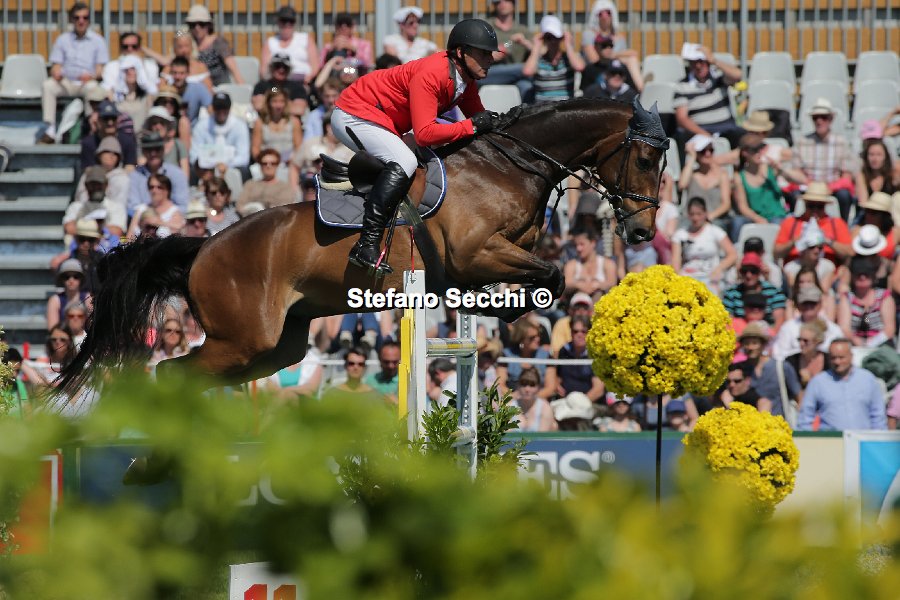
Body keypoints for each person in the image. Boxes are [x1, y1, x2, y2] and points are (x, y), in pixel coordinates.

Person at [331, 18, 504, 274]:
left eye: (490, 54)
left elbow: (479, 120)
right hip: (354, 113)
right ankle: (366, 244)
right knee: (406, 161)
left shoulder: (465, 80)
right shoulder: (433, 72)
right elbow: (425, 134)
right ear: (460, 52)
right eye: (483, 53)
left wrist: (503, 124)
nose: (490, 59)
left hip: (381, 120)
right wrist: (472, 126)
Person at [40, 2, 108, 143]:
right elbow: (55, 66)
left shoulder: (98, 41)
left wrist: (91, 76)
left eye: (85, 17)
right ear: (71, 19)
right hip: (66, 82)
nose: (81, 21)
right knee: (48, 85)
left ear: (89, 20)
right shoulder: (62, 40)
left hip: (87, 83)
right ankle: (50, 130)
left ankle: (90, 128)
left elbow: (100, 70)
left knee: (94, 89)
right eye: (77, 18)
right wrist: (56, 73)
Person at [790, 98, 858, 221]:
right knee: (794, 195)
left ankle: (843, 225)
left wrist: (829, 188)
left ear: (831, 119)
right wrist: (811, 186)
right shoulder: (802, 142)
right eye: (816, 118)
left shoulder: (841, 142)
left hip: (832, 187)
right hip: (808, 186)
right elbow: (797, 172)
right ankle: (796, 226)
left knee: (844, 195)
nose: (819, 121)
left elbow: (846, 175)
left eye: (823, 117)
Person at [797, 339, 887, 431]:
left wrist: (878, 437)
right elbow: (805, 416)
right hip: (831, 438)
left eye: (841, 357)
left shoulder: (867, 379)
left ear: (851, 356)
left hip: (862, 438)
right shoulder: (818, 382)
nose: (837, 362)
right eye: (833, 358)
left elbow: (878, 415)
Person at [673, 44, 744, 155]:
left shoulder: (719, 77)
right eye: (694, 62)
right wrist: (704, 134)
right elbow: (682, 119)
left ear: (707, 62)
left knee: (744, 138)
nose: (698, 66)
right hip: (699, 130)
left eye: (701, 61)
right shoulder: (682, 86)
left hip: (727, 128)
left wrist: (714, 60)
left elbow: (738, 75)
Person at [773, 181, 853, 267]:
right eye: (811, 206)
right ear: (805, 204)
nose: (815, 210)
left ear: (825, 206)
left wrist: (828, 241)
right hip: (796, 267)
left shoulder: (837, 223)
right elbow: (776, 253)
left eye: (820, 206)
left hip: (826, 269)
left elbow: (849, 253)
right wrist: (794, 242)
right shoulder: (790, 222)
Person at [732, 134, 804, 226]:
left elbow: (802, 180)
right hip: (754, 218)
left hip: (776, 216)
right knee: (737, 222)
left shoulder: (771, 169)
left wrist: (781, 169)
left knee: (777, 222)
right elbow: (743, 207)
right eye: (755, 150)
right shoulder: (739, 177)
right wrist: (757, 218)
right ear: (745, 153)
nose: (759, 152)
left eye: (761, 148)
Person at [671, 197, 736, 294]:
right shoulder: (680, 235)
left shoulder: (715, 231)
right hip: (688, 276)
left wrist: (719, 268)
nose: (695, 218)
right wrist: (679, 276)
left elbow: (733, 255)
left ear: (705, 213)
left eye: (699, 214)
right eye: (692, 214)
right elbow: (675, 261)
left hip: (710, 277)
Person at [738, 321, 802, 419]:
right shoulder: (740, 369)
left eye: (754, 343)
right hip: (748, 424)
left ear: (763, 345)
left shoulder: (781, 367)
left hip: (778, 423)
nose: (750, 347)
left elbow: (799, 396)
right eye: (746, 343)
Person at [476, 0, 534, 101]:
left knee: (526, 87)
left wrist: (525, 42)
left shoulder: (522, 30)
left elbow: (538, 52)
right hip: (489, 73)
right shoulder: (486, 27)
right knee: (524, 69)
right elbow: (472, 53)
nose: (502, 4)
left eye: (506, 1)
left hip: (515, 77)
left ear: (513, 4)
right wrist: (489, 55)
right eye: (498, 1)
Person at [677, 134, 733, 237]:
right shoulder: (692, 174)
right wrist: (691, 157)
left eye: (711, 150)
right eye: (703, 151)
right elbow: (682, 185)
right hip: (692, 219)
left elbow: (726, 204)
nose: (708, 154)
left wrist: (709, 217)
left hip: (714, 219)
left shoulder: (722, 174)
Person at [522, 15, 586, 104]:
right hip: (543, 109)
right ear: (543, 39)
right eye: (549, 37)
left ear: (561, 38)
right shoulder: (538, 59)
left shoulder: (568, 58)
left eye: (556, 37)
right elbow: (527, 71)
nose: (553, 41)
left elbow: (579, 67)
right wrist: (536, 47)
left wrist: (568, 44)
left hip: (565, 109)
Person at [772, 285, 843, 360]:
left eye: (813, 303)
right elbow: (779, 354)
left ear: (820, 304)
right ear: (798, 305)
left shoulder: (833, 329)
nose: (809, 306)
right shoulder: (787, 328)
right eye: (805, 303)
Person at [838, 255, 896, 348]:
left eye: (866, 274)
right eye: (858, 274)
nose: (862, 277)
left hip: (881, 345)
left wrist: (871, 343)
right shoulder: (847, 298)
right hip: (854, 346)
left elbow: (889, 329)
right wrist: (858, 342)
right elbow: (845, 328)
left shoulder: (884, 296)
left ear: (873, 276)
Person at [191, 92, 251, 179]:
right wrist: (210, 165)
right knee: (193, 170)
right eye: (218, 108)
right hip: (206, 167)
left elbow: (243, 157)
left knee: (244, 171)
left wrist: (226, 165)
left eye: (224, 108)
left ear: (229, 108)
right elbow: (194, 155)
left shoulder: (240, 126)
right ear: (213, 108)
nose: (221, 111)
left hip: (231, 166)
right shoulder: (201, 126)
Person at [546, 314, 605, 402]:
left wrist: (578, 403)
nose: (579, 335)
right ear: (571, 332)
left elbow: (598, 390)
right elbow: (558, 377)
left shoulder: (596, 354)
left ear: (590, 332)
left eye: (583, 331)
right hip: (565, 401)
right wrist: (557, 385)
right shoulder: (563, 350)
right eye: (575, 331)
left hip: (590, 403)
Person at [251, 87, 302, 186]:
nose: (278, 105)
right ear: (268, 103)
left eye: (281, 101)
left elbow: (299, 147)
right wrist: (265, 162)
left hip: (288, 164)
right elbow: (255, 149)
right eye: (275, 101)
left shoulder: (294, 122)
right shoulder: (260, 122)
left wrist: (292, 160)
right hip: (267, 164)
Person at [722, 252, 787, 331]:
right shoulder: (731, 293)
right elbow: (728, 324)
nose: (748, 275)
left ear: (760, 272)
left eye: (753, 271)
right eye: (744, 271)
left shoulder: (775, 293)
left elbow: (778, 325)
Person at [129, 131, 190, 213]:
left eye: (157, 149)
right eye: (149, 150)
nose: (153, 153)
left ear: (163, 150)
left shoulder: (177, 174)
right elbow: (132, 206)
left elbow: (182, 206)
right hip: (144, 218)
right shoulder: (134, 176)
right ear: (143, 151)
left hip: (171, 218)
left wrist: (163, 215)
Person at [185, 4, 244, 86]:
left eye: (201, 24)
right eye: (193, 24)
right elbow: (177, 35)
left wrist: (242, 86)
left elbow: (232, 66)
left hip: (217, 87)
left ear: (208, 25)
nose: (197, 28)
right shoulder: (189, 43)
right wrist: (185, 32)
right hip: (195, 86)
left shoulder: (218, 42)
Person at [64, 165, 127, 240]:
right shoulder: (76, 206)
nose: (95, 188)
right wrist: (101, 228)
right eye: (92, 184)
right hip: (82, 244)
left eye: (99, 184)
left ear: (106, 185)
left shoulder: (116, 207)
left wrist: (84, 226)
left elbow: (117, 231)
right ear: (86, 185)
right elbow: (69, 228)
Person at [260, 6, 319, 84]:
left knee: (300, 91)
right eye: (284, 21)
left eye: (291, 21)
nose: (287, 24)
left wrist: (308, 78)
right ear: (278, 22)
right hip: (277, 83)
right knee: (270, 89)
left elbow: (315, 66)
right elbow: (263, 71)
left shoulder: (305, 39)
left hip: (301, 82)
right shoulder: (270, 42)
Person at [496, 317, 553, 396]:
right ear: (521, 339)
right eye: (532, 338)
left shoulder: (546, 355)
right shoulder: (506, 355)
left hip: (539, 400)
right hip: (513, 400)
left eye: (538, 335)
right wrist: (514, 397)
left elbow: (550, 387)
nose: (537, 339)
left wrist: (531, 399)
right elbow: (500, 385)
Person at [563, 227, 617, 301]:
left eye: (582, 244)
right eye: (576, 245)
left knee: (598, 294)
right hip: (578, 304)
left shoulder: (608, 264)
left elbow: (612, 283)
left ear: (593, 243)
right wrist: (579, 285)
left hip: (601, 302)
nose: (578, 249)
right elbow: (566, 284)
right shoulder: (571, 265)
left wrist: (598, 285)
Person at [101, 32, 159, 99]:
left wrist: (140, 65)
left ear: (140, 47)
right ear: (121, 48)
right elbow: (108, 89)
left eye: (134, 46)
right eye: (125, 46)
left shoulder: (150, 66)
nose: (129, 49)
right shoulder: (111, 66)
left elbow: (153, 90)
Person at [237, 149, 297, 213]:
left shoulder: (285, 187)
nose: (268, 166)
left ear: (277, 165)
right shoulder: (250, 184)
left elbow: (283, 208)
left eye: (273, 163)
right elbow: (240, 206)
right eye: (264, 163)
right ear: (260, 165)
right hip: (250, 216)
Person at [127, 173, 185, 238]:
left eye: (159, 187)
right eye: (151, 187)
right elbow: (129, 237)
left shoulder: (174, 212)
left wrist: (157, 222)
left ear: (168, 190)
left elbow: (179, 230)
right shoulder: (141, 209)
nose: (154, 190)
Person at [251, 54, 309, 118]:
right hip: (266, 119)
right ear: (271, 67)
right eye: (277, 66)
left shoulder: (297, 87)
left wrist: (270, 103)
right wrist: (289, 103)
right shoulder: (262, 86)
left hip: (288, 120)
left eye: (285, 67)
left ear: (289, 69)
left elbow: (299, 109)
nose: (281, 70)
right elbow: (258, 105)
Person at [320, 347, 385, 403]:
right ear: (345, 365)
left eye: (360, 364)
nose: (356, 367)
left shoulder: (374, 395)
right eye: (351, 364)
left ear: (364, 367)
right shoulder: (332, 394)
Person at [164, 54, 213, 124]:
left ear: (187, 73)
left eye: (181, 73)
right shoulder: (166, 92)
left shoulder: (197, 88)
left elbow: (210, 109)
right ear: (171, 73)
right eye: (175, 73)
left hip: (193, 128)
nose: (178, 77)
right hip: (172, 127)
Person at [784, 320, 832, 391]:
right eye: (799, 339)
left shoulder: (829, 361)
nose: (801, 344)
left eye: (805, 341)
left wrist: (810, 382)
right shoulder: (791, 361)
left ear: (817, 341)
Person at [144, 106, 189, 178]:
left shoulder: (178, 145)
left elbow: (185, 175)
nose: (158, 126)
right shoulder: (144, 145)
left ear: (168, 125)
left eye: (162, 122)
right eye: (154, 123)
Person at [46, 259, 91, 332]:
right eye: (67, 277)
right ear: (62, 279)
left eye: (76, 276)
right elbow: (53, 330)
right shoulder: (55, 300)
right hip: (63, 337)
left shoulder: (87, 298)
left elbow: (92, 327)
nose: (71, 280)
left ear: (81, 279)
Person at [510, 366, 558, 432]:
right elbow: (506, 436)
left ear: (539, 387)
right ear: (518, 385)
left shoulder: (545, 408)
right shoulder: (509, 407)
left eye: (532, 385)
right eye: (523, 384)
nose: (527, 389)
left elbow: (543, 437)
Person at [851, 192, 897, 260]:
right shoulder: (858, 230)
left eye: (873, 213)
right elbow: (851, 253)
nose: (868, 215)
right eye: (867, 211)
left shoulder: (895, 232)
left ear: (884, 215)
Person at [856, 138, 898, 206]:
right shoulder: (862, 175)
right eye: (871, 154)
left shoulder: (893, 174)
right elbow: (863, 202)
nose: (875, 159)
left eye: (879, 154)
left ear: (885, 157)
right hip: (868, 210)